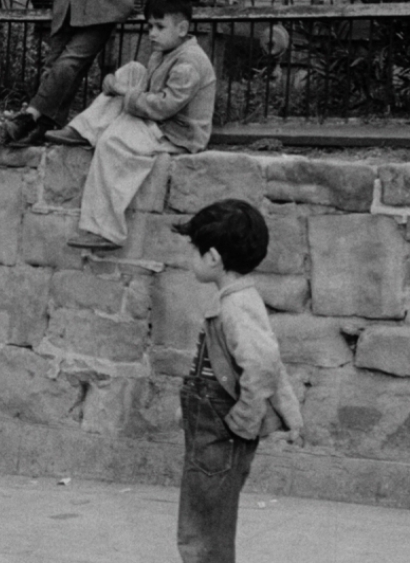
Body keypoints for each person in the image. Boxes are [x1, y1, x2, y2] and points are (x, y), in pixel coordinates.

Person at [172, 199, 303, 563]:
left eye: (193, 251)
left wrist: (245, 417)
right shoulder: (236, 299)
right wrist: (290, 413)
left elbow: (263, 365)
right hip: (211, 426)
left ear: (212, 257)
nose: (190, 259)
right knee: (205, 511)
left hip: (221, 428)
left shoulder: (237, 307)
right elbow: (271, 363)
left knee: (204, 524)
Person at [55, 0, 217, 251]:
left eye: (159, 26)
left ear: (182, 28)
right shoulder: (164, 52)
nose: (151, 33)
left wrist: (122, 92)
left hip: (178, 132)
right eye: (149, 26)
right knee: (132, 71)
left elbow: (164, 107)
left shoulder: (190, 63)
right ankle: (84, 129)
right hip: (162, 120)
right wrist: (119, 85)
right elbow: (146, 90)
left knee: (112, 142)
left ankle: (106, 231)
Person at [4, 0, 165, 147]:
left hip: (104, 1)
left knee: (69, 62)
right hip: (69, 2)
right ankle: (43, 128)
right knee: (53, 65)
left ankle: (29, 116)